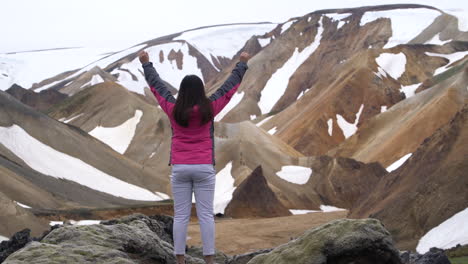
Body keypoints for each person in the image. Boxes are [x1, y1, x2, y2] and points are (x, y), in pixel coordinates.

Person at [139, 50, 250, 264]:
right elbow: (228, 88)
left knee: (180, 216)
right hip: (204, 168)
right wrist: (242, 64)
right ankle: (209, 261)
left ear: (182, 92)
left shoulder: (172, 109)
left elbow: (157, 87)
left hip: (180, 168)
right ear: (201, 91)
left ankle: (180, 261)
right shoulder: (210, 108)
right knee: (206, 215)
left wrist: (146, 64)